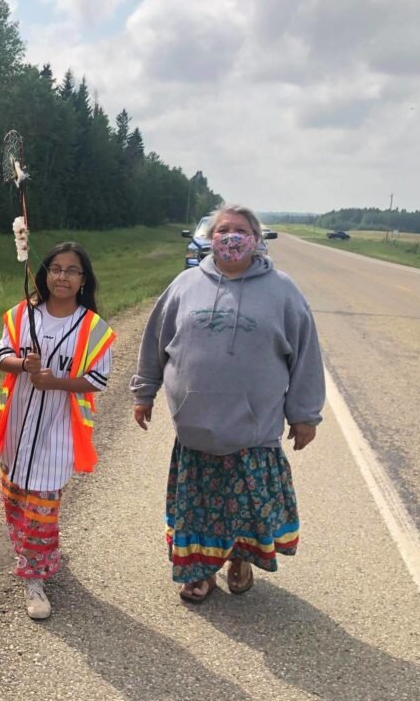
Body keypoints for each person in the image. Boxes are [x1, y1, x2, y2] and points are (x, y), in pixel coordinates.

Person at [130, 204, 324, 603]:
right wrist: (143, 392)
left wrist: (304, 416)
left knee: (245, 508)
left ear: (256, 239)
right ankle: (199, 573)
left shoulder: (283, 291)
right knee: (197, 509)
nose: (230, 237)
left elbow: (305, 356)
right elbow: (155, 341)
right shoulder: (185, 285)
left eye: (240, 230)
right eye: (223, 230)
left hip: (252, 434)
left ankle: (239, 561)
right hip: (196, 431)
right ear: (210, 237)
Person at [0, 242, 115, 619]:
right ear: (44, 274)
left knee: (42, 508)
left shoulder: (93, 329)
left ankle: (35, 577)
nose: (62, 276)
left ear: (83, 280)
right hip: (17, 428)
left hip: (56, 430)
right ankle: (31, 550)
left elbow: (96, 380)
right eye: (56, 268)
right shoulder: (21, 315)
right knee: (15, 500)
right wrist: (23, 366)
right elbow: (2, 357)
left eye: (72, 270)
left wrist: (56, 381)